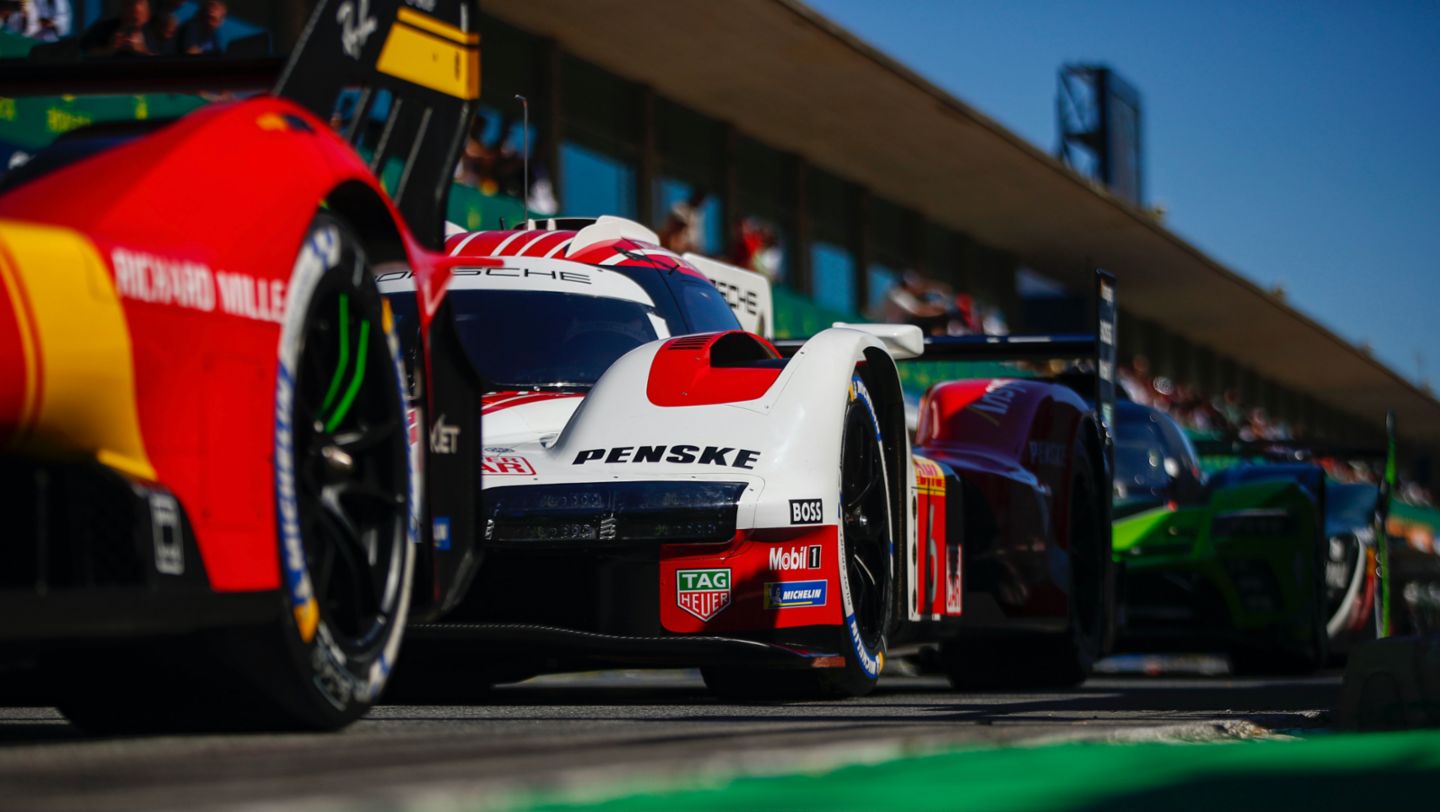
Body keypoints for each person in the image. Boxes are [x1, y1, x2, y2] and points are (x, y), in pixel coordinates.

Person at [80, 0, 157, 56]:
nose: (136, 9)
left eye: (140, 3)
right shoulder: (103, 28)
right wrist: (109, 50)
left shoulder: (151, 32)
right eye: (129, 4)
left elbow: (160, 59)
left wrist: (143, 51)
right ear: (122, 7)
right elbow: (83, 54)